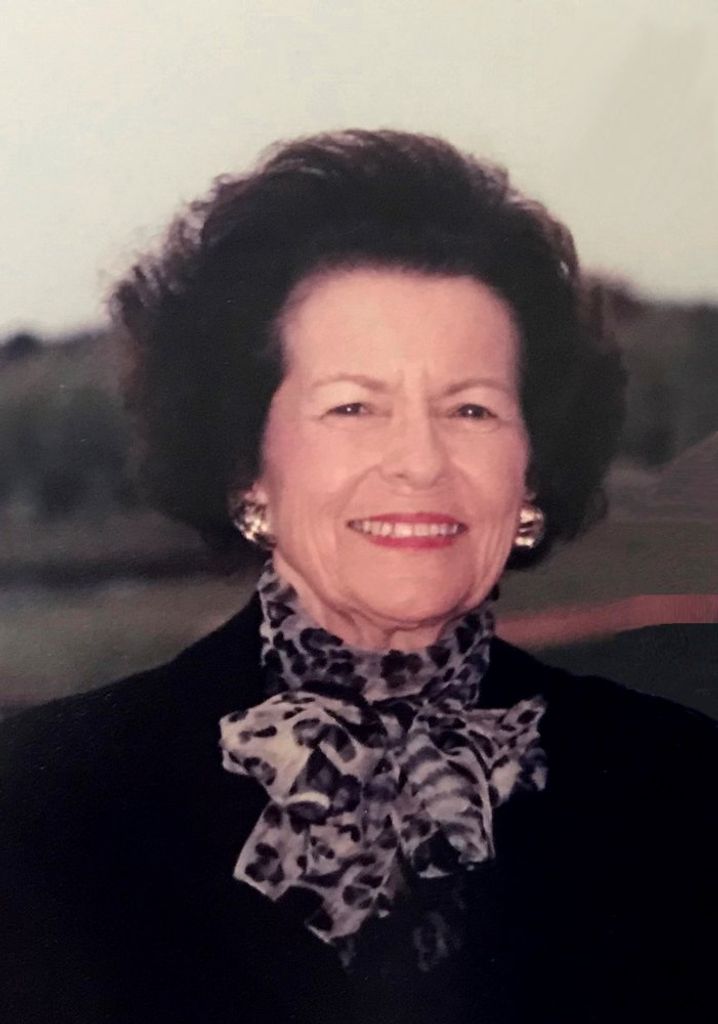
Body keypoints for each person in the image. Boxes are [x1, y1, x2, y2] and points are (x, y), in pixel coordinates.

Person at [1, 130, 715, 1024]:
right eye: (352, 407)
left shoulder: (685, 784)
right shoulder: (42, 797)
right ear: (247, 466)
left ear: (531, 469)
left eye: (471, 409)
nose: (419, 461)